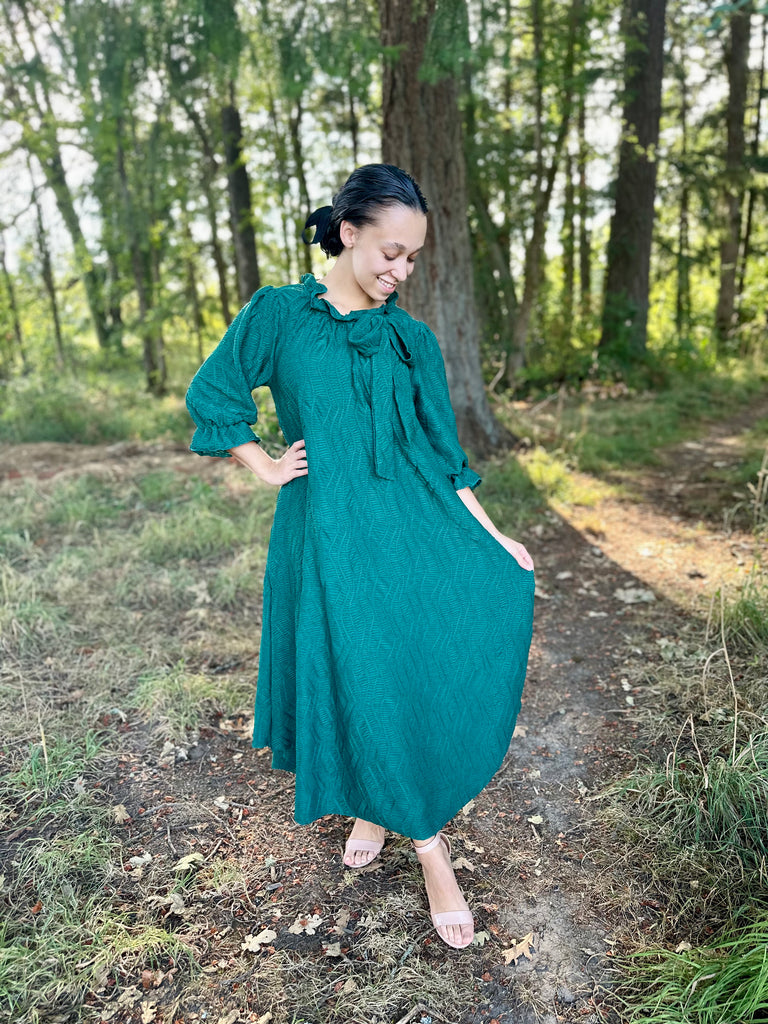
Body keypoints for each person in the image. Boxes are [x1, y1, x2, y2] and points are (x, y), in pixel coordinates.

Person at [186, 163, 535, 950]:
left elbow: (443, 458)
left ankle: (386, 813)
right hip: (328, 536)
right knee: (360, 670)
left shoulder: (411, 341)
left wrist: (491, 535)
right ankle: (428, 845)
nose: (401, 271)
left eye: (413, 258)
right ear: (349, 233)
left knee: (407, 665)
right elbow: (215, 391)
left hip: (410, 533)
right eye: (390, 252)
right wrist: (265, 464)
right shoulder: (281, 315)